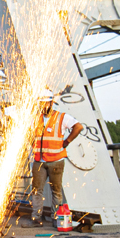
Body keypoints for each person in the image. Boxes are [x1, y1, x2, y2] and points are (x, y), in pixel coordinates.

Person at [28, 88, 83, 226]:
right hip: (39, 160)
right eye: (40, 104)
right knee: (36, 190)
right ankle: (36, 218)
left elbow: (78, 127)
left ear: (51, 103)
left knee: (56, 191)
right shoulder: (36, 119)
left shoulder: (62, 117)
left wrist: (67, 141)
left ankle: (55, 218)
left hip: (56, 160)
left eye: (45, 103)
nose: (43, 106)